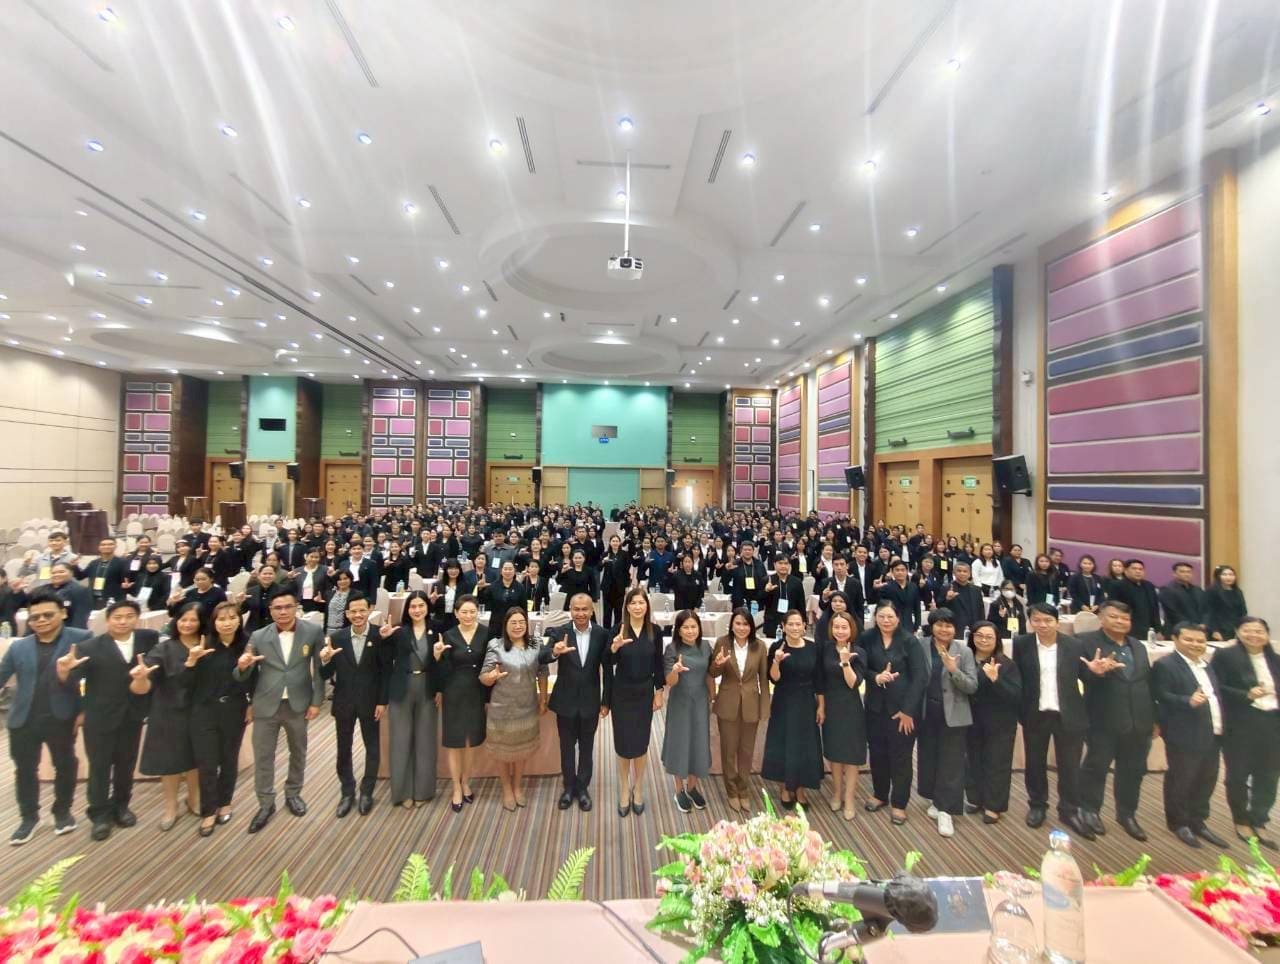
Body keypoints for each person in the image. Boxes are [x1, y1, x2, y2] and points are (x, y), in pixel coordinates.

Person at [59, 600, 158, 841]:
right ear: (107, 620)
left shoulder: (148, 639)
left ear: (137, 618)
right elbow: (73, 683)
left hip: (132, 715)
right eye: (117, 617)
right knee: (100, 767)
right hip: (99, 717)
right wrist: (64, 671)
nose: (123, 621)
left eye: (129, 616)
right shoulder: (88, 647)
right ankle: (99, 815)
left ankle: (121, 806)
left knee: (126, 765)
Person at [1, 588, 89, 844]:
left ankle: (62, 812)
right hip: (23, 718)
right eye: (34, 617)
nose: (40, 621)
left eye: (47, 615)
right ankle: (29, 817)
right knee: (24, 769)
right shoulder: (19, 647)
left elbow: (92, 679)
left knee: (65, 765)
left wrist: (84, 709)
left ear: (63, 613)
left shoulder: (81, 639)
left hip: (62, 715)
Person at [234, 587, 325, 833]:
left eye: (287, 607)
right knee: (264, 756)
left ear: (296, 607)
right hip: (266, 705)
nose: (283, 612)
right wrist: (242, 666)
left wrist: (317, 701)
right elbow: (242, 675)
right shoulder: (258, 636)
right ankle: (265, 803)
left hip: (298, 704)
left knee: (298, 752)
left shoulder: (313, 631)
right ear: (271, 610)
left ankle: (293, 793)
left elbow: (320, 669)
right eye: (277, 608)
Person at [1076, 599, 1157, 841]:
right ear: (1101, 618)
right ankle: (1090, 810)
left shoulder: (1137, 645)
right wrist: (1094, 673)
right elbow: (1075, 677)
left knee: (1133, 771)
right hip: (1103, 719)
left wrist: (1154, 718)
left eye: (1125, 618)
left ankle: (1127, 814)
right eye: (1114, 617)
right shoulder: (1085, 642)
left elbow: (1147, 683)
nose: (1120, 621)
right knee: (1096, 767)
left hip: (1139, 720)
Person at [1012, 603, 1094, 839]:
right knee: (1035, 763)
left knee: (1070, 766)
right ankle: (1037, 805)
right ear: (1030, 622)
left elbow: (1086, 675)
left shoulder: (1074, 645)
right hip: (1035, 713)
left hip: (1068, 713)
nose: (1042, 625)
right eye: (1037, 620)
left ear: (1057, 622)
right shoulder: (1022, 644)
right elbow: (1019, 678)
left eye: (1048, 620)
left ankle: (1069, 810)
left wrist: (1095, 671)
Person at [1151, 622, 1230, 849]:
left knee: (1207, 779)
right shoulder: (1165, 665)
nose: (1195, 644)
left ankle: (1198, 820)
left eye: (1200, 641)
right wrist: (1187, 700)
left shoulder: (1207, 665)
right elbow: (1159, 694)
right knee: (1181, 779)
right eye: (1189, 639)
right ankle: (1179, 823)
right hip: (1183, 732)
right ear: (1175, 640)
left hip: (1213, 730)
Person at [540, 593, 612, 812]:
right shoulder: (559, 632)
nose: (580, 613)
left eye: (584, 609)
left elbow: (608, 669)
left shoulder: (602, 634)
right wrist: (554, 652)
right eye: (576, 609)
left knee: (587, 747)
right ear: (570, 610)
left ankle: (582, 788)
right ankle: (568, 787)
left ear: (592, 611)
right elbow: (542, 655)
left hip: (590, 700)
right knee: (566, 747)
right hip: (565, 700)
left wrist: (606, 700)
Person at [1213, 616, 1280, 849]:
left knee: (1269, 775)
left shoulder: (1275, 659)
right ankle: (1241, 819)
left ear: (1267, 635)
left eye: (1259, 631)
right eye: (1248, 630)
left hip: (1273, 722)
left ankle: (1259, 818)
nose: (1254, 635)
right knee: (1238, 775)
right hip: (1241, 722)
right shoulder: (1225, 656)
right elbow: (1216, 687)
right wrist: (1246, 694)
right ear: (1238, 632)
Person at [140, 601, 205, 830]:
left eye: (193, 620)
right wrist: (142, 674)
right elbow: (149, 672)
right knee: (170, 761)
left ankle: (194, 798)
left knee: (196, 758)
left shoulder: (208, 644)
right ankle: (170, 806)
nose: (187, 624)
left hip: (199, 711)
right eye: (183, 619)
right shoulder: (164, 648)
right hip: (168, 711)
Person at [321, 592, 386, 818]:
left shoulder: (379, 635)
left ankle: (367, 792)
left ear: (370, 610)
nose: (358, 615)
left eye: (362, 610)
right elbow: (325, 675)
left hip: (371, 702)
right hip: (344, 702)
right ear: (347, 614)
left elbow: (385, 672)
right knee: (343, 749)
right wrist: (326, 659)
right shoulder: (337, 638)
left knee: (372, 748)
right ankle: (347, 792)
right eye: (353, 611)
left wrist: (382, 701)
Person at [862, 600, 926, 825]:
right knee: (877, 753)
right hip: (874, 708)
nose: (886, 621)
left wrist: (908, 711)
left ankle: (899, 803)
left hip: (902, 711)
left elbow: (920, 677)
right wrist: (876, 677)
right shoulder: (867, 638)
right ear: (875, 617)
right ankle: (880, 794)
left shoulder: (910, 641)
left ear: (898, 618)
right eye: (881, 616)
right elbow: (861, 667)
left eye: (890, 616)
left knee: (901, 757)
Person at [189, 601, 251, 837]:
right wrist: (192, 661)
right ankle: (208, 811)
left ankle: (225, 802)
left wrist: (252, 703)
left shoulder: (248, 644)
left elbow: (256, 677)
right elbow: (188, 682)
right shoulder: (203, 644)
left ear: (239, 620)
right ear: (213, 622)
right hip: (204, 710)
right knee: (207, 762)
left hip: (235, 709)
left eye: (232, 617)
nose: (227, 623)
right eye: (221, 619)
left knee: (229, 759)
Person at [916, 609, 978, 837]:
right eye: (940, 625)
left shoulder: (964, 651)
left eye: (949, 625)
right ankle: (936, 799)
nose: (944, 629)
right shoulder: (920, 645)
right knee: (929, 757)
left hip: (954, 714)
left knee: (951, 762)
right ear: (932, 626)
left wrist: (953, 670)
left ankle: (946, 810)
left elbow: (972, 686)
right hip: (927, 712)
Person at [480, 607, 549, 811]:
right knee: (502, 753)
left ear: (527, 624)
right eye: (513, 623)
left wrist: (543, 699)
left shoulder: (536, 644)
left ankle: (517, 787)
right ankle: (506, 789)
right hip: (502, 708)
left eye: (521, 622)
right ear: (505, 625)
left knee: (521, 751)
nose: (518, 626)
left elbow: (543, 672)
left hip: (527, 706)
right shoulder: (496, 645)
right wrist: (492, 677)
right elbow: (484, 677)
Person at [607, 587, 665, 817]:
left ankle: (638, 787)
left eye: (642, 603)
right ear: (627, 607)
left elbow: (658, 664)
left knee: (641, 743)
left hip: (644, 692)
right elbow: (607, 661)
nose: (638, 607)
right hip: (621, 692)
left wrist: (659, 691)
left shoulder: (655, 631)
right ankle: (624, 787)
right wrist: (614, 647)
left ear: (647, 606)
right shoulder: (618, 629)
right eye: (633, 603)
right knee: (623, 743)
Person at [378, 589, 439, 809]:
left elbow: (443, 663)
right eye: (413, 606)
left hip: (427, 689)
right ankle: (403, 792)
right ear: (407, 609)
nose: (417, 610)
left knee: (425, 741)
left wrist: (439, 660)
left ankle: (423, 790)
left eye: (421, 605)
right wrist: (383, 639)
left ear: (427, 608)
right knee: (401, 741)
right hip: (401, 689)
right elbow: (384, 663)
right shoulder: (398, 631)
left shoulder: (436, 631)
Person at [709, 608, 769, 814]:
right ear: (731, 625)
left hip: (752, 704)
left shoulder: (759, 646)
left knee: (746, 751)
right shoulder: (722, 643)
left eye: (746, 624)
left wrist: (764, 708)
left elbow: (764, 680)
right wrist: (718, 664)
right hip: (728, 702)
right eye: (738, 623)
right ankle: (731, 790)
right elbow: (712, 672)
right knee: (728, 750)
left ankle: (743, 789)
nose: (742, 628)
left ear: (751, 626)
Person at [762, 608, 824, 808]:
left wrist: (821, 706)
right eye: (791, 624)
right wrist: (776, 661)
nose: (795, 627)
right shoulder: (777, 647)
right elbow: (774, 678)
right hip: (784, 700)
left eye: (798, 624)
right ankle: (784, 788)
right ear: (783, 626)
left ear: (804, 626)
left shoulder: (813, 647)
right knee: (783, 743)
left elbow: (819, 679)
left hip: (806, 701)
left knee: (805, 745)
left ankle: (800, 789)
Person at [965, 621, 1022, 824]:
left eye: (989, 637)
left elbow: (1015, 695)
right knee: (973, 760)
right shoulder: (966, 659)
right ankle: (975, 798)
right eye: (979, 635)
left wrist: (996, 679)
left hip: (1000, 722)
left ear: (997, 640)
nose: (983, 640)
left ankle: (993, 805)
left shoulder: (1006, 664)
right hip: (972, 720)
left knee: (997, 763)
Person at [437, 594, 488, 813]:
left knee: (471, 741)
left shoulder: (486, 633)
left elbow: (490, 664)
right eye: (464, 612)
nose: (468, 616)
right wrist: (437, 656)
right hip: (453, 692)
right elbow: (442, 669)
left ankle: (466, 780)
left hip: (477, 691)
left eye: (472, 612)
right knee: (454, 742)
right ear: (456, 613)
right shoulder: (448, 635)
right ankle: (456, 787)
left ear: (478, 612)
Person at [661, 610, 713, 813]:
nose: (690, 631)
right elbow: (669, 681)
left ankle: (692, 787)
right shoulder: (672, 648)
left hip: (700, 700)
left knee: (698, 742)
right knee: (680, 742)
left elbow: (709, 675)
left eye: (693, 627)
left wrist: (713, 697)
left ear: (699, 628)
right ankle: (679, 790)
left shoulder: (706, 646)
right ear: (679, 630)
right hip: (680, 701)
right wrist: (675, 670)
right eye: (686, 627)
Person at [820, 610, 866, 821]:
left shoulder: (859, 652)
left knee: (851, 755)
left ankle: (849, 799)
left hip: (851, 708)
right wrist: (821, 707)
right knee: (834, 753)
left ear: (851, 629)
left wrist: (846, 662)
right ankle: (837, 793)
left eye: (844, 627)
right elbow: (820, 681)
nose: (840, 631)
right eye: (836, 627)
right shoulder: (826, 649)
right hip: (831, 706)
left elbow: (853, 683)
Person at [1109, 559, 1161, 640]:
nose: (1138, 571)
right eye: (1134, 569)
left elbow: (1155, 609)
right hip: (1127, 629)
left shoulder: (1149, 586)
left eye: (1140, 569)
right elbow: (1113, 609)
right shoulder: (1117, 586)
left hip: (1148, 630)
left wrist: (1158, 630)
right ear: (1125, 571)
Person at [78, 538, 130, 608]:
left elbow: (126, 579)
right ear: (99, 547)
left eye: (110, 544)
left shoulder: (122, 562)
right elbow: (80, 576)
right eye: (103, 545)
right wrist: (74, 566)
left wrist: (126, 584)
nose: (106, 546)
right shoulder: (94, 563)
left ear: (115, 546)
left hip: (113, 599)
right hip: (94, 599)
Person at [1159, 562, 1208, 636]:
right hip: (1177, 630)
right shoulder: (1167, 590)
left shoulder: (1198, 590)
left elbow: (1206, 609)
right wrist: (1192, 626)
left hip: (1199, 630)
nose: (1186, 574)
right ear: (1174, 574)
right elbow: (1173, 613)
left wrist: (1204, 623)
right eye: (1182, 572)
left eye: (1189, 572)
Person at [940, 562, 985, 639]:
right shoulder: (946, 588)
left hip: (974, 627)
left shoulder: (976, 590)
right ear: (954, 573)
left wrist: (982, 626)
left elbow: (981, 610)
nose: (962, 573)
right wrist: (947, 599)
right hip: (955, 627)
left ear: (969, 574)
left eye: (965, 571)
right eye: (959, 571)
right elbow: (940, 607)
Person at [1206, 566, 1248, 642]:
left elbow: (1243, 611)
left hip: (1234, 628)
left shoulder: (1238, 591)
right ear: (1218, 576)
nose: (1228, 577)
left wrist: (1242, 627)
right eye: (1224, 574)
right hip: (1218, 629)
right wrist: (1214, 630)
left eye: (1231, 574)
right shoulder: (1212, 590)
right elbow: (1209, 612)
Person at [879, 560, 923, 632]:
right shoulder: (886, 588)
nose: (900, 572)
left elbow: (917, 609)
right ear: (892, 572)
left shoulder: (913, 587)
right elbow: (881, 608)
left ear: (907, 571)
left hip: (909, 626)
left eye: (903, 570)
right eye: (897, 570)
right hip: (892, 626)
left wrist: (917, 626)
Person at [724, 541, 767, 613]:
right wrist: (728, 570)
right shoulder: (735, 563)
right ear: (741, 551)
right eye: (745, 550)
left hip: (756, 599)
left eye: (749, 550)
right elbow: (726, 582)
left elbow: (764, 580)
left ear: (753, 551)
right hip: (739, 600)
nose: (747, 552)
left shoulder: (759, 564)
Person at [599, 534, 632, 629]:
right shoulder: (605, 554)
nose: (615, 543)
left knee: (618, 612)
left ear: (620, 543)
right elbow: (598, 568)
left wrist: (627, 586)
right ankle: (606, 632)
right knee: (607, 612)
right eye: (613, 541)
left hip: (620, 587)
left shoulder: (624, 554)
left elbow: (627, 571)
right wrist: (603, 561)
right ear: (610, 543)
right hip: (607, 587)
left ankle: (617, 631)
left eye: (617, 541)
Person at [239, 564, 282, 634]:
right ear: (259, 576)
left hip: (276, 629)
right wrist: (240, 602)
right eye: (265, 574)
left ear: (275, 576)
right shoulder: (251, 591)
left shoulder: (282, 591)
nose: (267, 576)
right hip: (253, 630)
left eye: (270, 574)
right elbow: (242, 610)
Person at [49, 562, 93, 629]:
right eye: (53, 573)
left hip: (67, 629)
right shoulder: (43, 590)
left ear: (71, 573)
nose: (56, 575)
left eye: (61, 572)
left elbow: (80, 617)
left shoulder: (80, 590)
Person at [430, 558, 468, 636]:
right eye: (450, 568)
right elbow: (431, 609)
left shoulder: (465, 586)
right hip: (440, 621)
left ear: (460, 570)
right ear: (446, 570)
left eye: (456, 568)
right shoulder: (437, 585)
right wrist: (432, 601)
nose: (453, 571)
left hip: (458, 621)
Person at [295, 548, 331, 614]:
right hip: (300, 603)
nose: (314, 559)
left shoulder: (325, 570)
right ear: (306, 557)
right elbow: (294, 588)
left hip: (318, 603)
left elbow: (328, 588)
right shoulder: (297, 571)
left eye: (316, 557)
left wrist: (323, 597)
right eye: (311, 557)